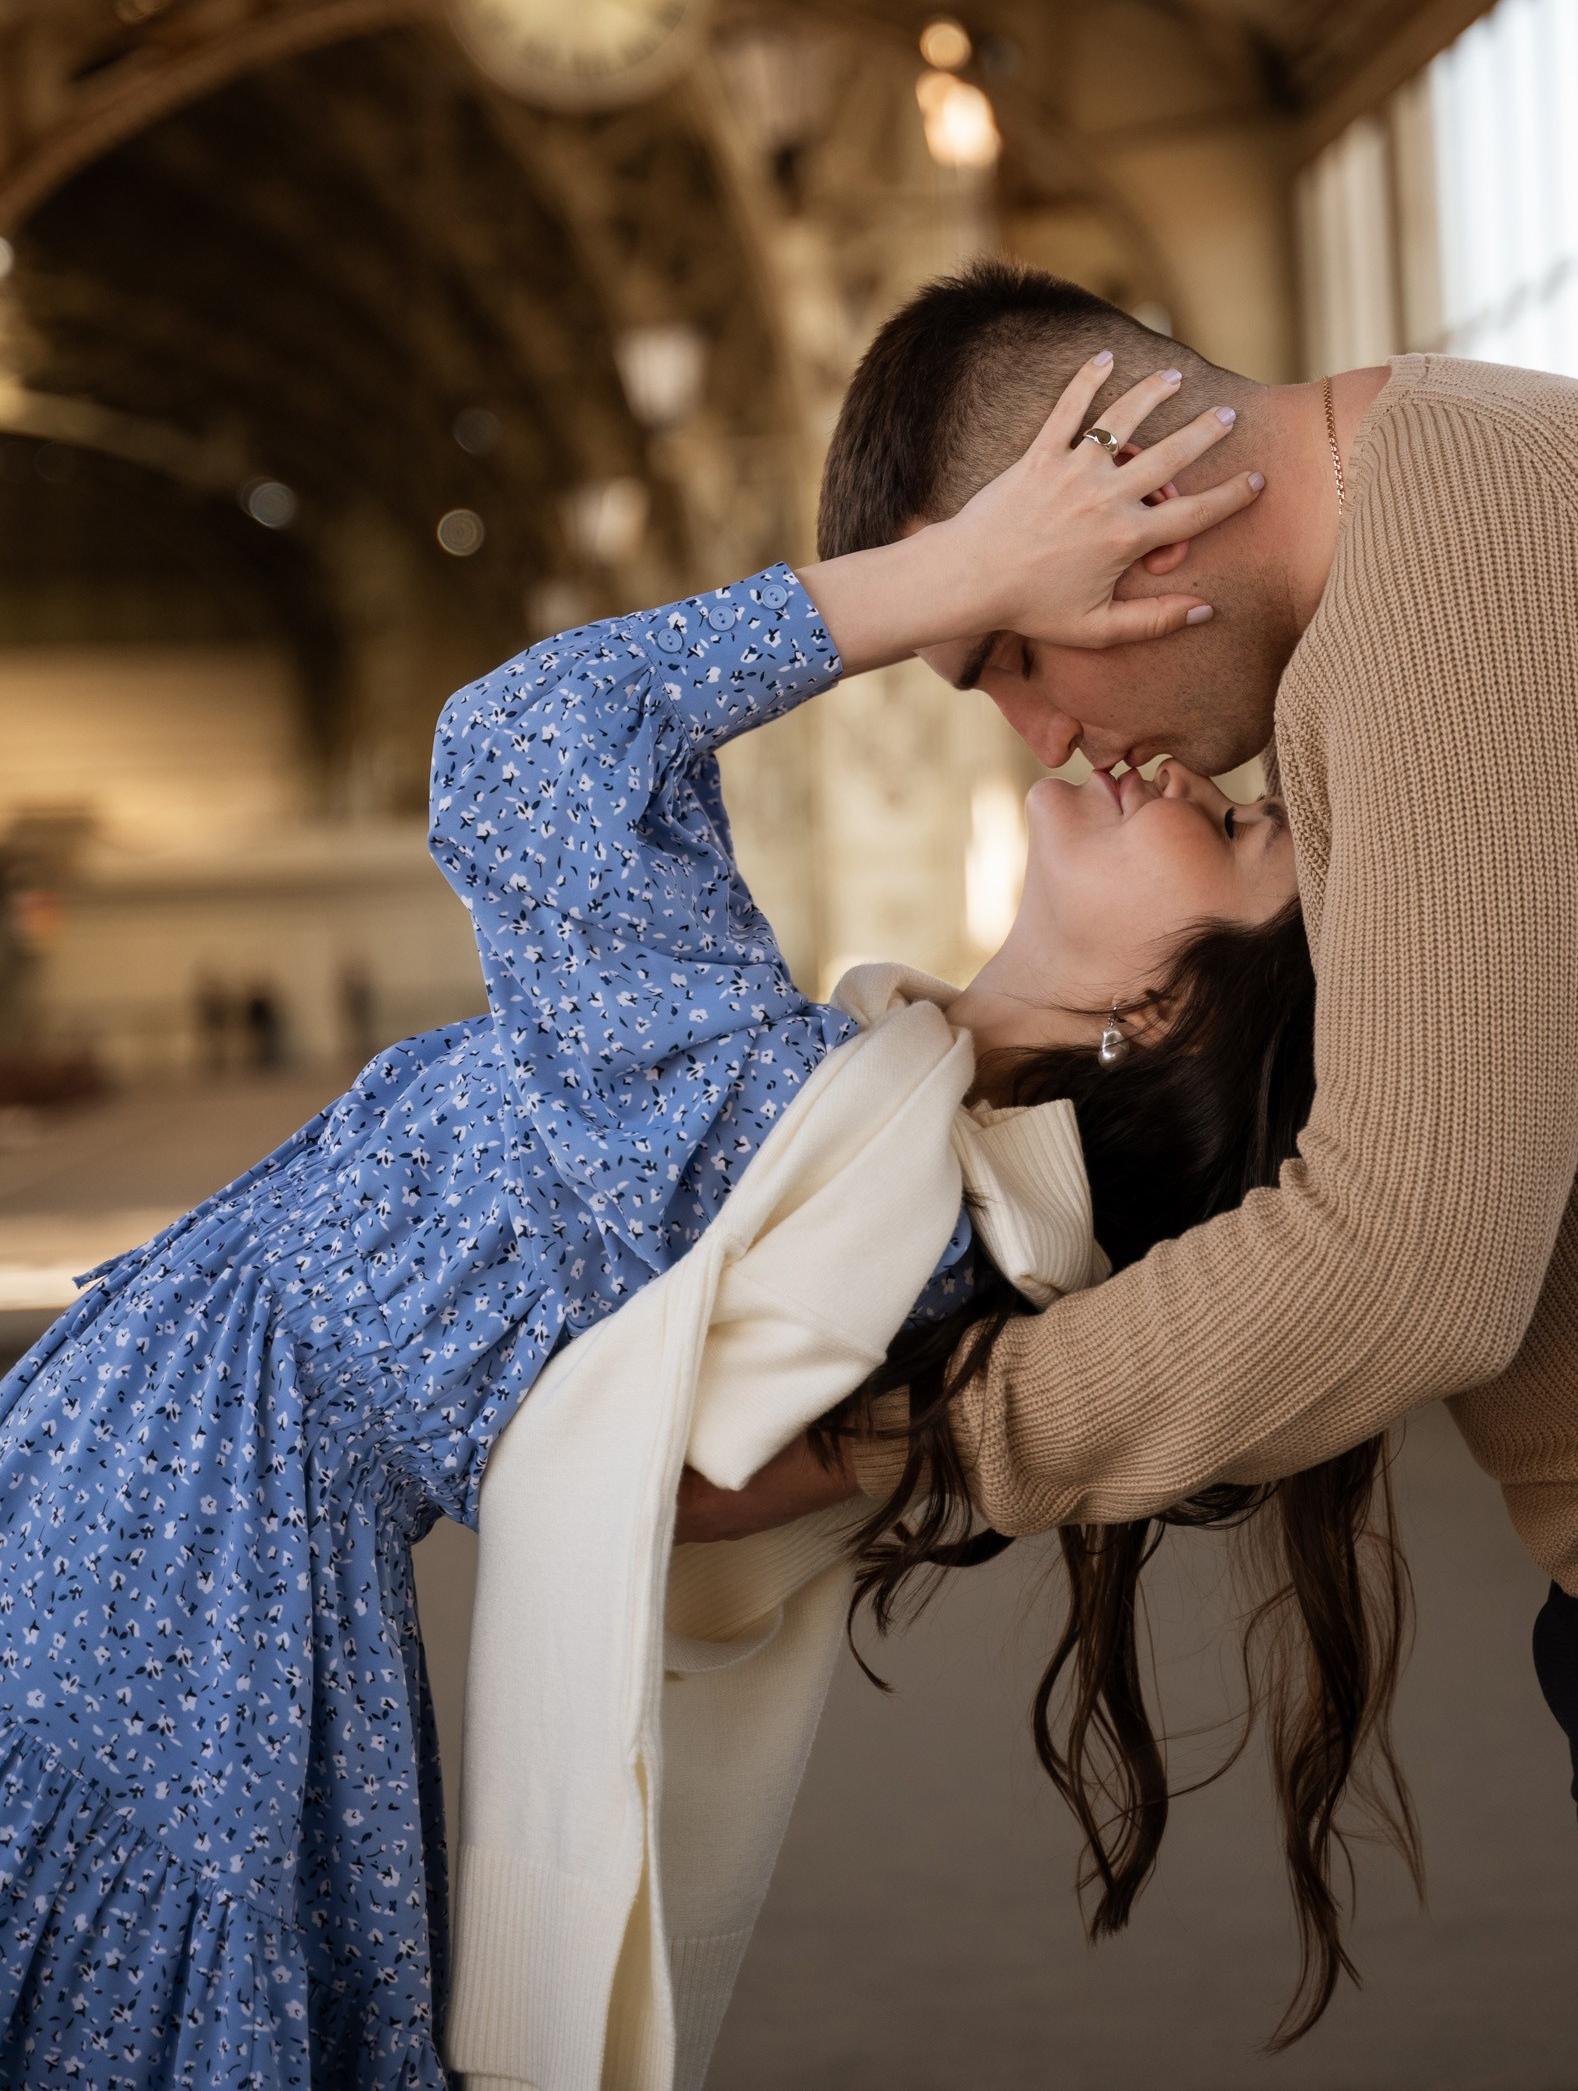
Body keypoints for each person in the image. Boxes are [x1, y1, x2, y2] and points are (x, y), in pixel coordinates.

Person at [695, 259, 1578, 2091]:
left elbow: (1411, 1257)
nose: (1045, 739)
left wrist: (881, 1452)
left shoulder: (1457, 579)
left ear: (1136, 504)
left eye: (1008, 655)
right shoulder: (1451, 522)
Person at [0, 356, 1294, 2091]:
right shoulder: (847, 1115)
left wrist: (961, 572)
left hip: (177, 1521)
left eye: (1236, 834)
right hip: (182, 1499)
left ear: (1174, 1018)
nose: (1184, 775)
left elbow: (527, 746)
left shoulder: (815, 1153)